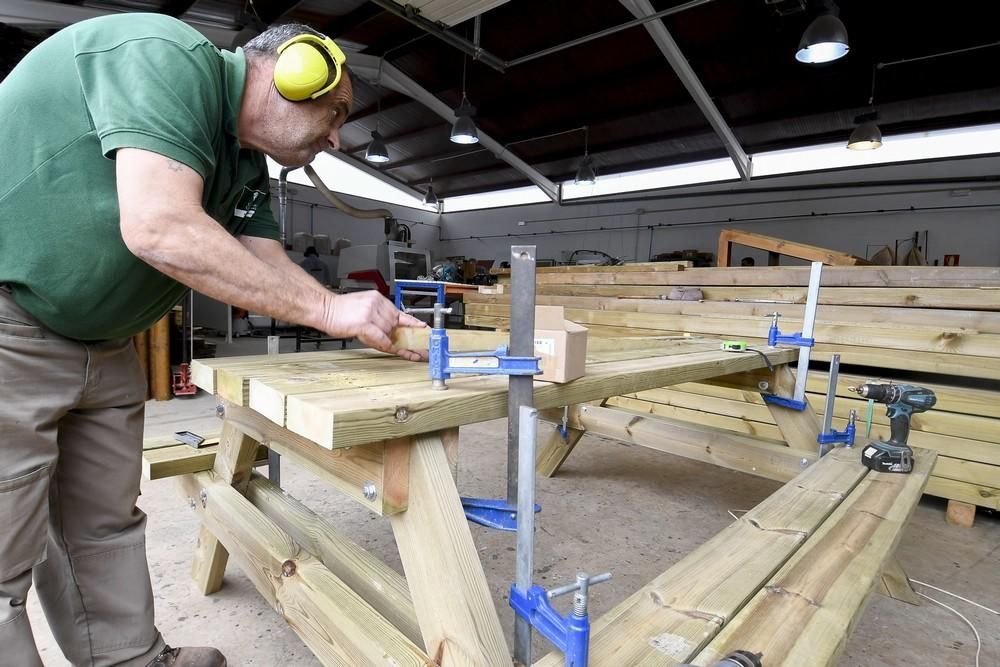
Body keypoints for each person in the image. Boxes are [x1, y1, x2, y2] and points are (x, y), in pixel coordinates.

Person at [0, 13, 425, 667]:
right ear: (294, 70)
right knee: (3, 547)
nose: (337, 138)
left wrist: (355, 313)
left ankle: (128, 658)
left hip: (104, 342)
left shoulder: (244, 162)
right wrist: (326, 305)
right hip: (11, 322)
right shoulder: (167, 58)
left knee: (101, 522)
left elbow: (264, 261)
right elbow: (159, 226)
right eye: (335, 112)